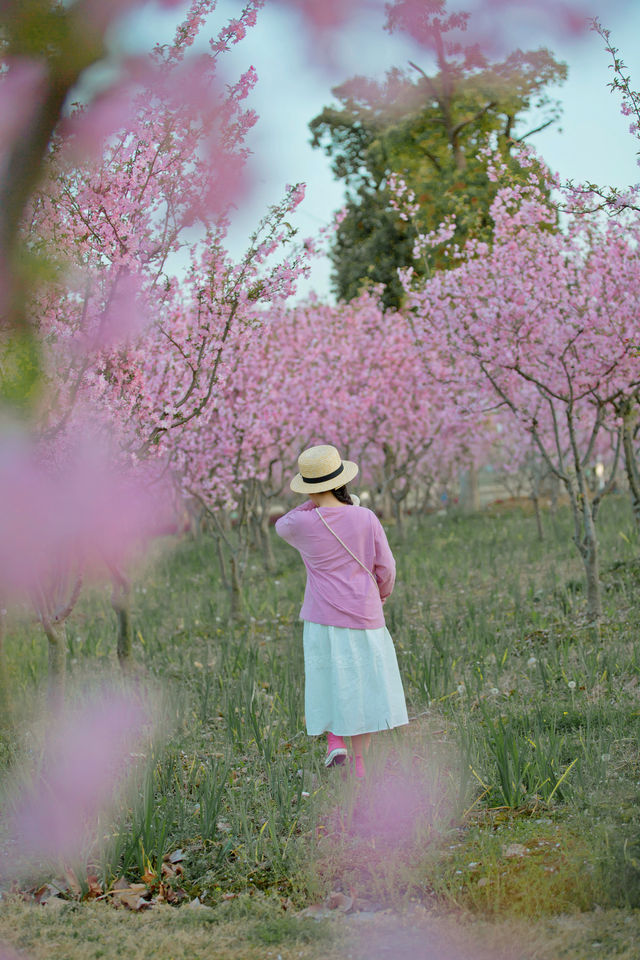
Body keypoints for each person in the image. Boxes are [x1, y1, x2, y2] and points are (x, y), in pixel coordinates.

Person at [275, 444, 408, 779]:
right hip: (364, 615)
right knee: (361, 688)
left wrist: (317, 500)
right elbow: (387, 567)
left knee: (330, 680)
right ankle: (360, 768)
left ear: (309, 487)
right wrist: (381, 594)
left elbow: (283, 522)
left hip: (322, 619)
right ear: (341, 481)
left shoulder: (300, 525)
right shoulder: (366, 518)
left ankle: (335, 741)